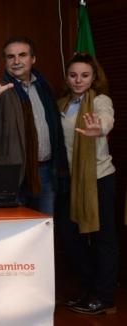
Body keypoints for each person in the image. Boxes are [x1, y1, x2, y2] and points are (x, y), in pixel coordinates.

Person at [0, 36, 67, 215]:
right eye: (10, 57)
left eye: (22, 55)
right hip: (12, 175)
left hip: (46, 172)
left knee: (44, 230)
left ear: (33, 59)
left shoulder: (45, 87)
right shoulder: (0, 87)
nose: (16, 61)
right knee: (14, 233)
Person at [57, 53, 117, 315]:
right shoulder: (62, 103)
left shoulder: (100, 100)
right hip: (69, 181)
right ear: (67, 78)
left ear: (94, 77)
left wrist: (100, 128)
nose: (78, 80)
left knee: (103, 239)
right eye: (73, 75)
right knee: (72, 238)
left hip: (99, 179)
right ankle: (89, 288)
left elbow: (106, 118)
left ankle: (105, 297)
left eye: (84, 75)